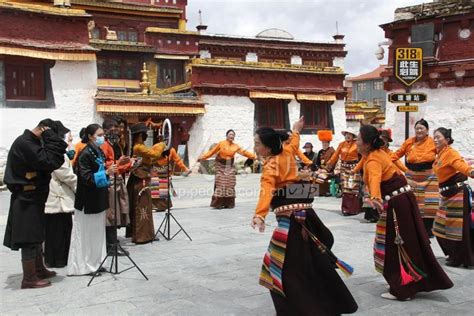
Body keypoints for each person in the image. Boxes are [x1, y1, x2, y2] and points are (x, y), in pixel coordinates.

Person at [251, 117, 358, 315]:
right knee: (310, 259)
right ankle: (325, 301)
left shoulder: (271, 165)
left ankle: (304, 307)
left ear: (267, 146)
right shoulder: (287, 152)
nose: (255, 147)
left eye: (257, 143)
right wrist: (296, 129)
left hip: (292, 220)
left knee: (281, 266)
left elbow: (266, 190)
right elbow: (294, 143)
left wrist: (260, 215)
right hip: (307, 215)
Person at [357, 124, 452, 301]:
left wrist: (375, 199)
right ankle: (411, 281)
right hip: (403, 199)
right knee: (408, 241)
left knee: (396, 243)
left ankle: (403, 288)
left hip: (396, 204)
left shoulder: (373, 160)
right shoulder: (375, 155)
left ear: (367, 143)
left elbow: (375, 178)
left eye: (358, 139)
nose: (356, 142)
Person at [3, 119, 68, 289]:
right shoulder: (25, 143)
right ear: (43, 130)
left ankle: (39, 269)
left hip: (34, 198)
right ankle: (29, 278)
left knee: (37, 235)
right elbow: (48, 161)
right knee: (29, 238)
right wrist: (49, 136)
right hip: (26, 199)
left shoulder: (31, 142)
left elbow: (52, 161)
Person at [68, 124, 116, 275]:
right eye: (99, 134)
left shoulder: (99, 152)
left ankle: (97, 261)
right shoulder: (84, 154)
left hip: (98, 198)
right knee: (86, 235)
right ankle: (85, 265)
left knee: (97, 234)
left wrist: (109, 173)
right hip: (87, 201)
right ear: (90, 136)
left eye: (103, 134)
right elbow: (85, 178)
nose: (102, 137)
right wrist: (106, 172)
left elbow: (102, 175)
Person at [432, 127, 474, 268]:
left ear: (447, 140)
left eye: (438, 137)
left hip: (457, 194)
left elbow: (460, 165)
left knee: (458, 230)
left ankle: (463, 258)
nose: (435, 139)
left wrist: (470, 171)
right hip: (446, 195)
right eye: (434, 137)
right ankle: (454, 255)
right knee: (440, 227)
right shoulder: (440, 154)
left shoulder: (451, 153)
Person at [392, 119, 439, 238]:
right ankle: (414, 228)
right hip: (411, 177)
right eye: (417, 128)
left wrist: (437, 169)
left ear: (427, 130)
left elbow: (443, 155)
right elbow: (394, 157)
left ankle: (428, 230)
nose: (419, 131)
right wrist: (404, 170)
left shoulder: (433, 142)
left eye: (421, 128)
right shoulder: (409, 142)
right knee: (412, 201)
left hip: (429, 177)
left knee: (429, 204)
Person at [127, 122, 165, 244]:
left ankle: (142, 233)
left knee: (143, 205)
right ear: (140, 135)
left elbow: (151, 157)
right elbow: (154, 154)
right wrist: (162, 144)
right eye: (144, 133)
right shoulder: (139, 147)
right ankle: (142, 236)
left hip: (141, 177)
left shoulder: (140, 146)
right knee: (142, 206)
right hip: (140, 179)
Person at [199, 129, 257, 209]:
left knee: (230, 184)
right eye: (230, 134)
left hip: (229, 167)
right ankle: (218, 203)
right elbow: (212, 152)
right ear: (227, 136)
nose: (231, 136)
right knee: (221, 184)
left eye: (233, 135)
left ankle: (228, 203)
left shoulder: (235, 146)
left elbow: (244, 152)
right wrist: (202, 157)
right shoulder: (221, 143)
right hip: (220, 166)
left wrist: (254, 157)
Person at [44, 132, 77, 268]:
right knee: (59, 231)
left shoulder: (48, 152)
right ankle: (59, 260)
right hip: (58, 198)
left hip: (56, 197)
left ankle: (53, 259)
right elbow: (67, 176)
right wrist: (81, 188)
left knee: (55, 231)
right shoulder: (55, 155)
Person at [101, 119, 132, 255]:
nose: (118, 130)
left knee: (116, 213)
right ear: (107, 130)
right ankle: (110, 244)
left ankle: (113, 242)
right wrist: (124, 164)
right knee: (111, 214)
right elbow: (106, 165)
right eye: (115, 127)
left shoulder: (114, 144)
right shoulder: (104, 145)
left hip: (116, 180)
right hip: (109, 182)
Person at [326, 128, 362, 216]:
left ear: (353, 136)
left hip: (355, 168)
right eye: (346, 134)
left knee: (353, 189)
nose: (347, 136)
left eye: (349, 134)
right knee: (345, 189)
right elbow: (335, 155)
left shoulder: (357, 145)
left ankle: (354, 209)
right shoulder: (341, 144)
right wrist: (329, 164)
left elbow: (362, 156)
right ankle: (345, 209)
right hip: (344, 168)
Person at [151, 146, 191, 211]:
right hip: (156, 172)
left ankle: (162, 206)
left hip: (165, 173)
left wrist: (185, 169)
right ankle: (157, 205)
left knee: (163, 190)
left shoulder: (171, 150)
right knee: (156, 189)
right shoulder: (155, 147)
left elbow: (178, 160)